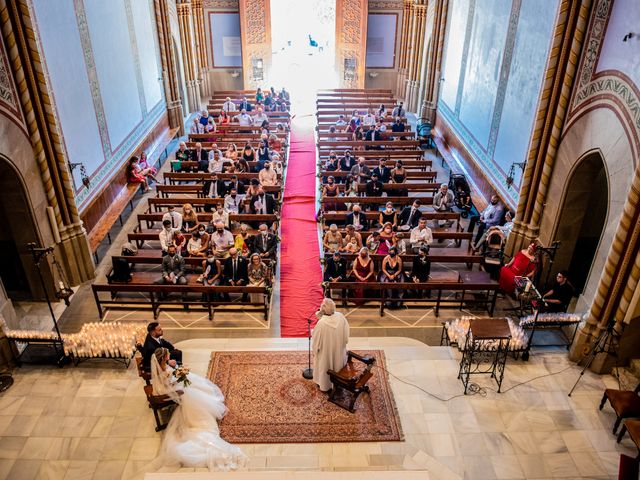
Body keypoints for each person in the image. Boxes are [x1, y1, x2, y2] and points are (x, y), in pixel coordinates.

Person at [149, 347, 246, 471]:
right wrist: (178, 377)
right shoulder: (163, 374)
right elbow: (167, 386)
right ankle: (203, 407)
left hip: (174, 383)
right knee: (191, 391)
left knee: (194, 382)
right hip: (173, 390)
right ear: (163, 358)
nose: (169, 356)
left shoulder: (163, 367)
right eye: (168, 355)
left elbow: (170, 373)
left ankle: (202, 392)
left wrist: (177, 370)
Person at [311, 298, 350, 392]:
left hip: (326, 353)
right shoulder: (341, 317)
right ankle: (338, 382)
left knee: (324, 363)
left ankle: (325, 385)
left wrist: (315, 350)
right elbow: (346, 334)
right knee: (337, 364)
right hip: (338, 351)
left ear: (323, 310)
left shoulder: (321, 324)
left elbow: (316, 341)